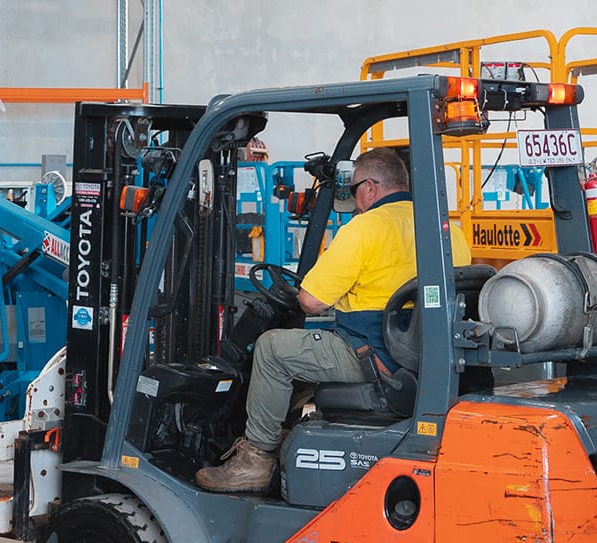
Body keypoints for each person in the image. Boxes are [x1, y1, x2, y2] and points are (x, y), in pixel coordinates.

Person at [196, 147, 472, 493]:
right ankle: (288, 439)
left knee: (271, 349)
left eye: (355, 190)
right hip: (422, 361)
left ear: (370, 187)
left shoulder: (365, 228)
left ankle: (255, 459)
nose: (355, 200)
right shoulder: (447, 230)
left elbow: (311, 301)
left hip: (374, 357)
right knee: (305, 355)